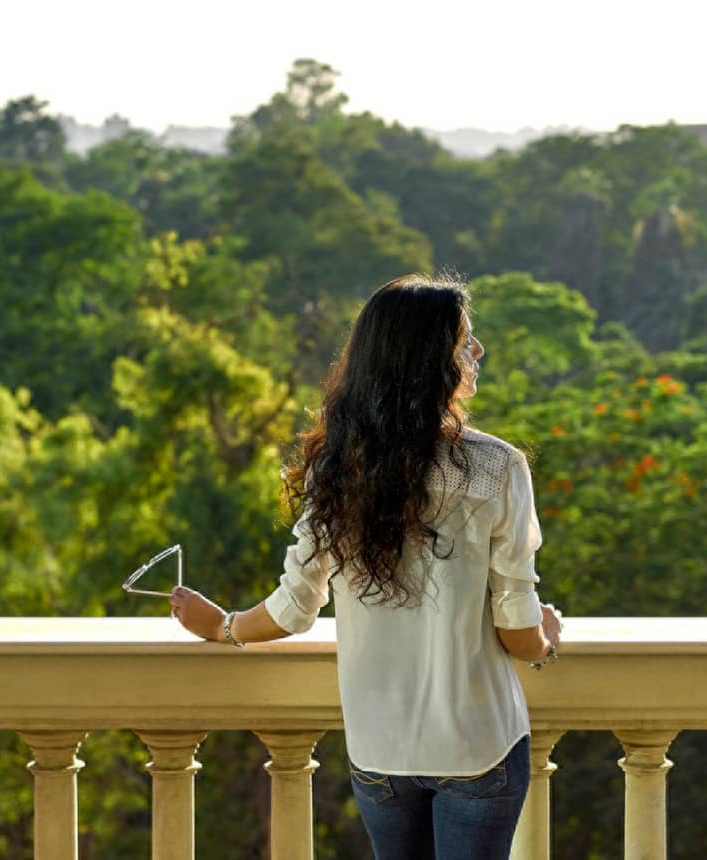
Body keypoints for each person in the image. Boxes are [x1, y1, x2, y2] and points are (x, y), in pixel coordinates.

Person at [169, 273, 563, 859]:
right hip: (477, 746)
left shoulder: (337, 468)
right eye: (464, 342)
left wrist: (223, 626)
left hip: (381, 752)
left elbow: (292, 610)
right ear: (427, 359)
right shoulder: (496, 468)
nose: (477, 352)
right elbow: (518, 633)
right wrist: (548, 638)